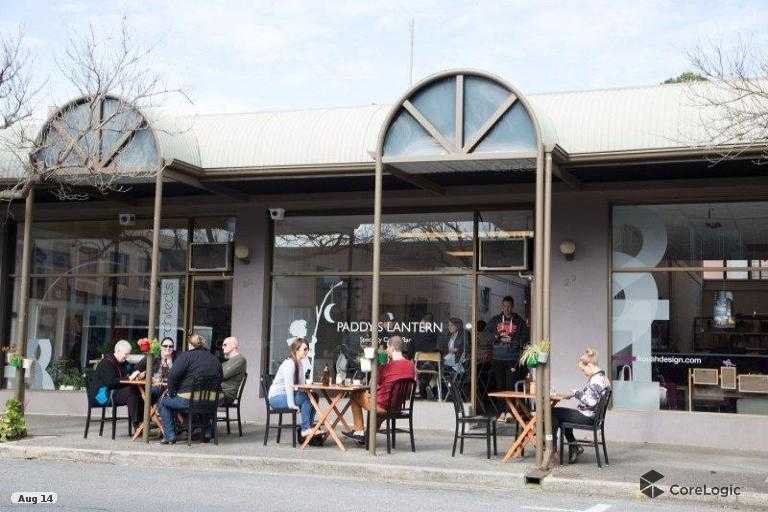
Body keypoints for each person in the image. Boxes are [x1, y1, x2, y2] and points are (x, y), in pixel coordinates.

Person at [342, 335, 416, 442]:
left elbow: (375, 383)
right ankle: (369, 435)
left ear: (392, 348)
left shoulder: (387, 367)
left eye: (387, 347)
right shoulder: (411, 366)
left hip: (383, 407)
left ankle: (359, 431)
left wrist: (379, 366)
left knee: (355, 394)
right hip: (397, 407)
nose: (387, 350)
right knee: (380, 404)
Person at [158, 334, 223, 445]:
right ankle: (206, 432)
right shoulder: (214, 358)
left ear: (190, 345)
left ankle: (170, 436)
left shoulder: (186, 356)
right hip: (214, 400)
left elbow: (172, 376)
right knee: (201, 404)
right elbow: (221, 377)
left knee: (163, 402)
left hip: (189, 400)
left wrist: (172, 392)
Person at [551, 348, 611, 464]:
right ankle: (573, 446)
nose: (584, 373)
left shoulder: (596, 380)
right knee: (562, 416)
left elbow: (592, 402)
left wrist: (577, 394)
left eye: (583, 370)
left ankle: (553, 450)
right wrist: (577, 393)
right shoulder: (602, 377)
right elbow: (594, 397)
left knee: (553, 412)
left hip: (588, 417)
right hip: (593, 416)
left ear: (590, 365)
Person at [267, 337, 316, 439]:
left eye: (307, 349)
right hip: (276, 398)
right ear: (297, 350)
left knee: (314, 396)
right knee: (306, 399)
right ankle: (305, 428)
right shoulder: (289, 363)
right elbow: (289, 386)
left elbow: (301, 385)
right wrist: (291, 404)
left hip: (287, 395)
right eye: (304, 349)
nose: (306, 352)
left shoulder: (300, 364)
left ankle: (309, 427)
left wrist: (309, 390)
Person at [91, 340, 143, 429]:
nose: (126, 357)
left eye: (128, 354)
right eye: (126, 354)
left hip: (114, 392)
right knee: (131, 392)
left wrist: (139, 374)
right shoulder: (106, 363)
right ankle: (137, 425)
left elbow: (132, 371)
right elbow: (110, 382)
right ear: (118, 351)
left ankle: (144, 421)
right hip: (102, 395)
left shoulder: (123, 362)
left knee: (140, 391)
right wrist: (129, 378)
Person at [488, 296, 528, 393]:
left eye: (509, 306)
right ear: (502, 307)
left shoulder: (519, 321)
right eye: (504, 306)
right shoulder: (495, 320)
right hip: (497, 358)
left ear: (512, 307)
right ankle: (501, 404)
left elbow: (525, 337)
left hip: (512, 358)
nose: (506, 309)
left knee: (511, 386)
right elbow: (486, 334)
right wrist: (497, 336)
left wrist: (513, 339)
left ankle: (510, 403)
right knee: (499, 386)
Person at [133, 337, 176, 402]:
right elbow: (136, 368)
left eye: (171, 346)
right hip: (154, 387)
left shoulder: (176, 358)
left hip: (169, 388)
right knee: (154, 391)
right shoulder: (153, 356)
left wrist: (170, 363)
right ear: (161, 347)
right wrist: (146, 374)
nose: (168, 348)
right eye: (165, 346)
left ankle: (157, 407)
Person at [220, 336, 247, 405]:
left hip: (226, 394)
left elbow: (223, 375)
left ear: (233, 345)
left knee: (202, 396)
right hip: (219, 392)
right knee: (198, 395)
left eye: (225, 345)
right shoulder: (225, 362)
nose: (222, 347)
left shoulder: (240, 360)